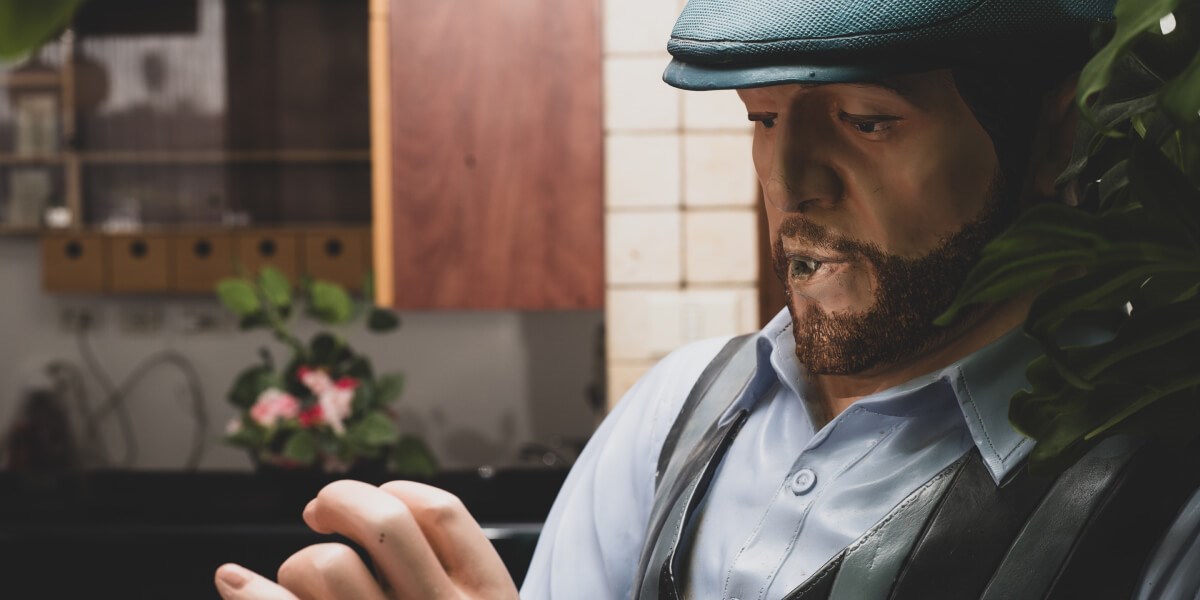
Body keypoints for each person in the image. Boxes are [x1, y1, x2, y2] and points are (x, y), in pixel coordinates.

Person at [213, 0, 1200, 598]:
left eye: (868, 121)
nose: (793, 179)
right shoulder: (676, 415)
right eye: (763, 120)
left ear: (1054, 137)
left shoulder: (1162, 497)